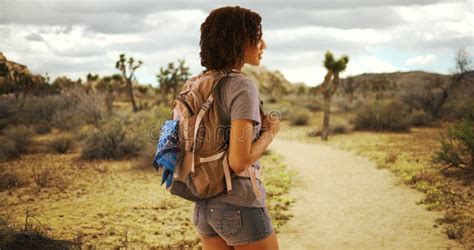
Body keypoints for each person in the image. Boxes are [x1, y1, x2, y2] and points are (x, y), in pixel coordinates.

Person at [193, 5, 281, 250]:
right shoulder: (241, 87)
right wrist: (269, 133)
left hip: (203, 206)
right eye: (257, 36)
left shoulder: (197, 83)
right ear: (239, 40)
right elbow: (239, 161)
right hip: (239, 204)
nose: (263, 44)